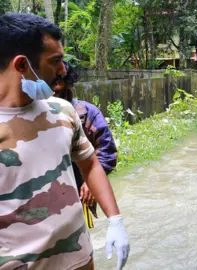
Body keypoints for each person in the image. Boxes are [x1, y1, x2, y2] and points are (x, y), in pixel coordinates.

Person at [0, 13, 129, 270]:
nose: (62, 70)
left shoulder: (63, 111)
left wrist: (115, 220)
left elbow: (91, 164)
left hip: (79, 257)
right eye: (55, 61)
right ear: (22, 65)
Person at [53, 60, 118, 228]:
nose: (52, 88)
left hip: (81, 189)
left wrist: (90, 183)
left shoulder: (87, 113)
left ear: (68, 83)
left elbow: (107, 151)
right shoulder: (33, 113)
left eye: (57, 82)